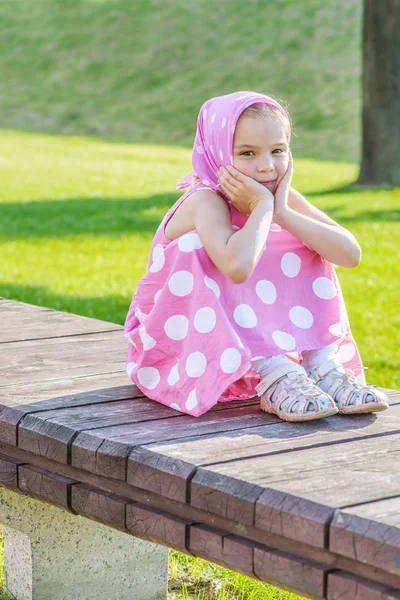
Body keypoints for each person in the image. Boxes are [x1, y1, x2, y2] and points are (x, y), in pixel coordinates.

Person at [124, 90, 389, 421]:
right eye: (247, 153)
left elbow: (349, 254)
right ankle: (275, 373)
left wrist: (283, 213)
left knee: (304, 238)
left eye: (278, 151)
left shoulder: (281, 198)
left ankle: (322, 365)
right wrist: (264, 207)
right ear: (218, 152)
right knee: (205, 248)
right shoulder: (205, 201)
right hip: (178, 344)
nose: (266, 167)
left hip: (242, 339)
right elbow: (237, 267)